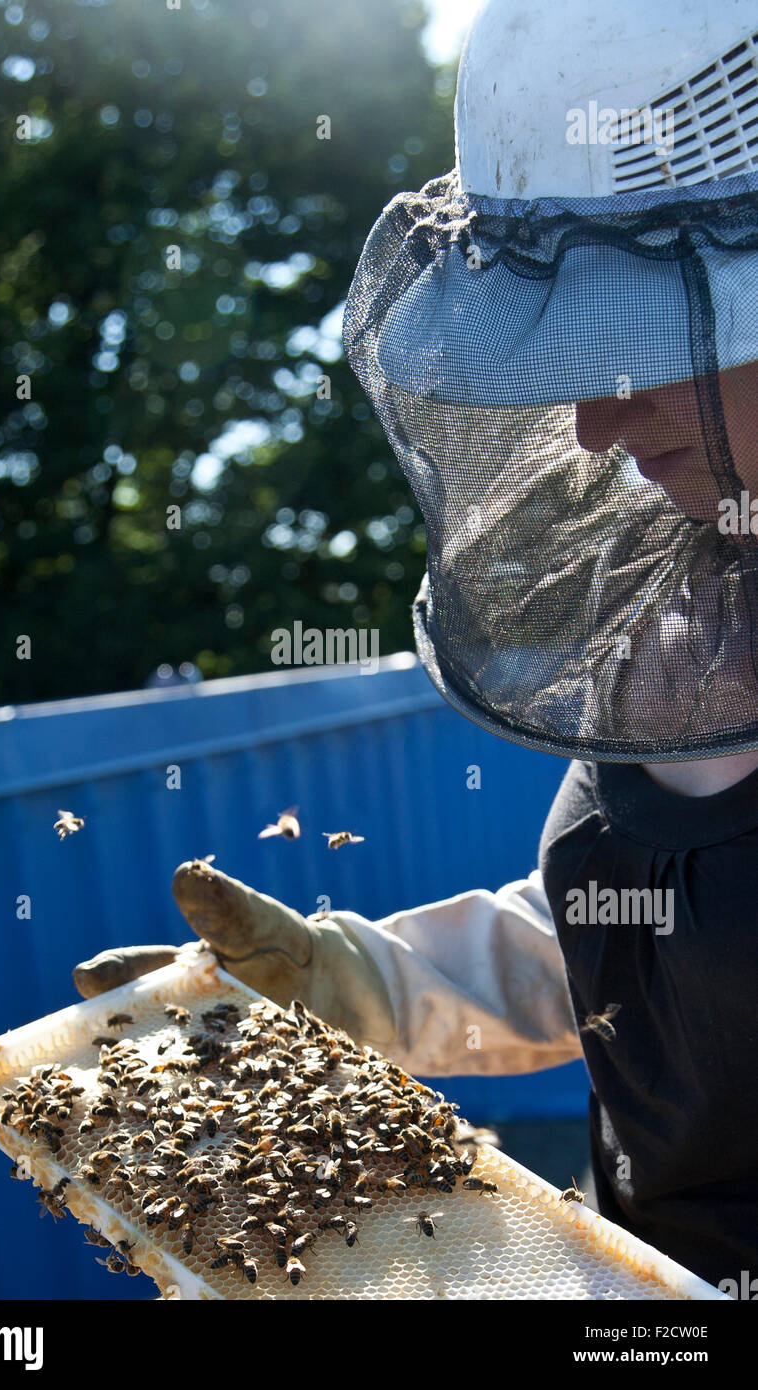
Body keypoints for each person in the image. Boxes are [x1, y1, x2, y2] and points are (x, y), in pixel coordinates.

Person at [75, 0, 758, 1288]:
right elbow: (639, 941)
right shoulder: (687, 606)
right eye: (574, 347)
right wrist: (358, 983)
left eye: (647, 338)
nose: (597, 426)